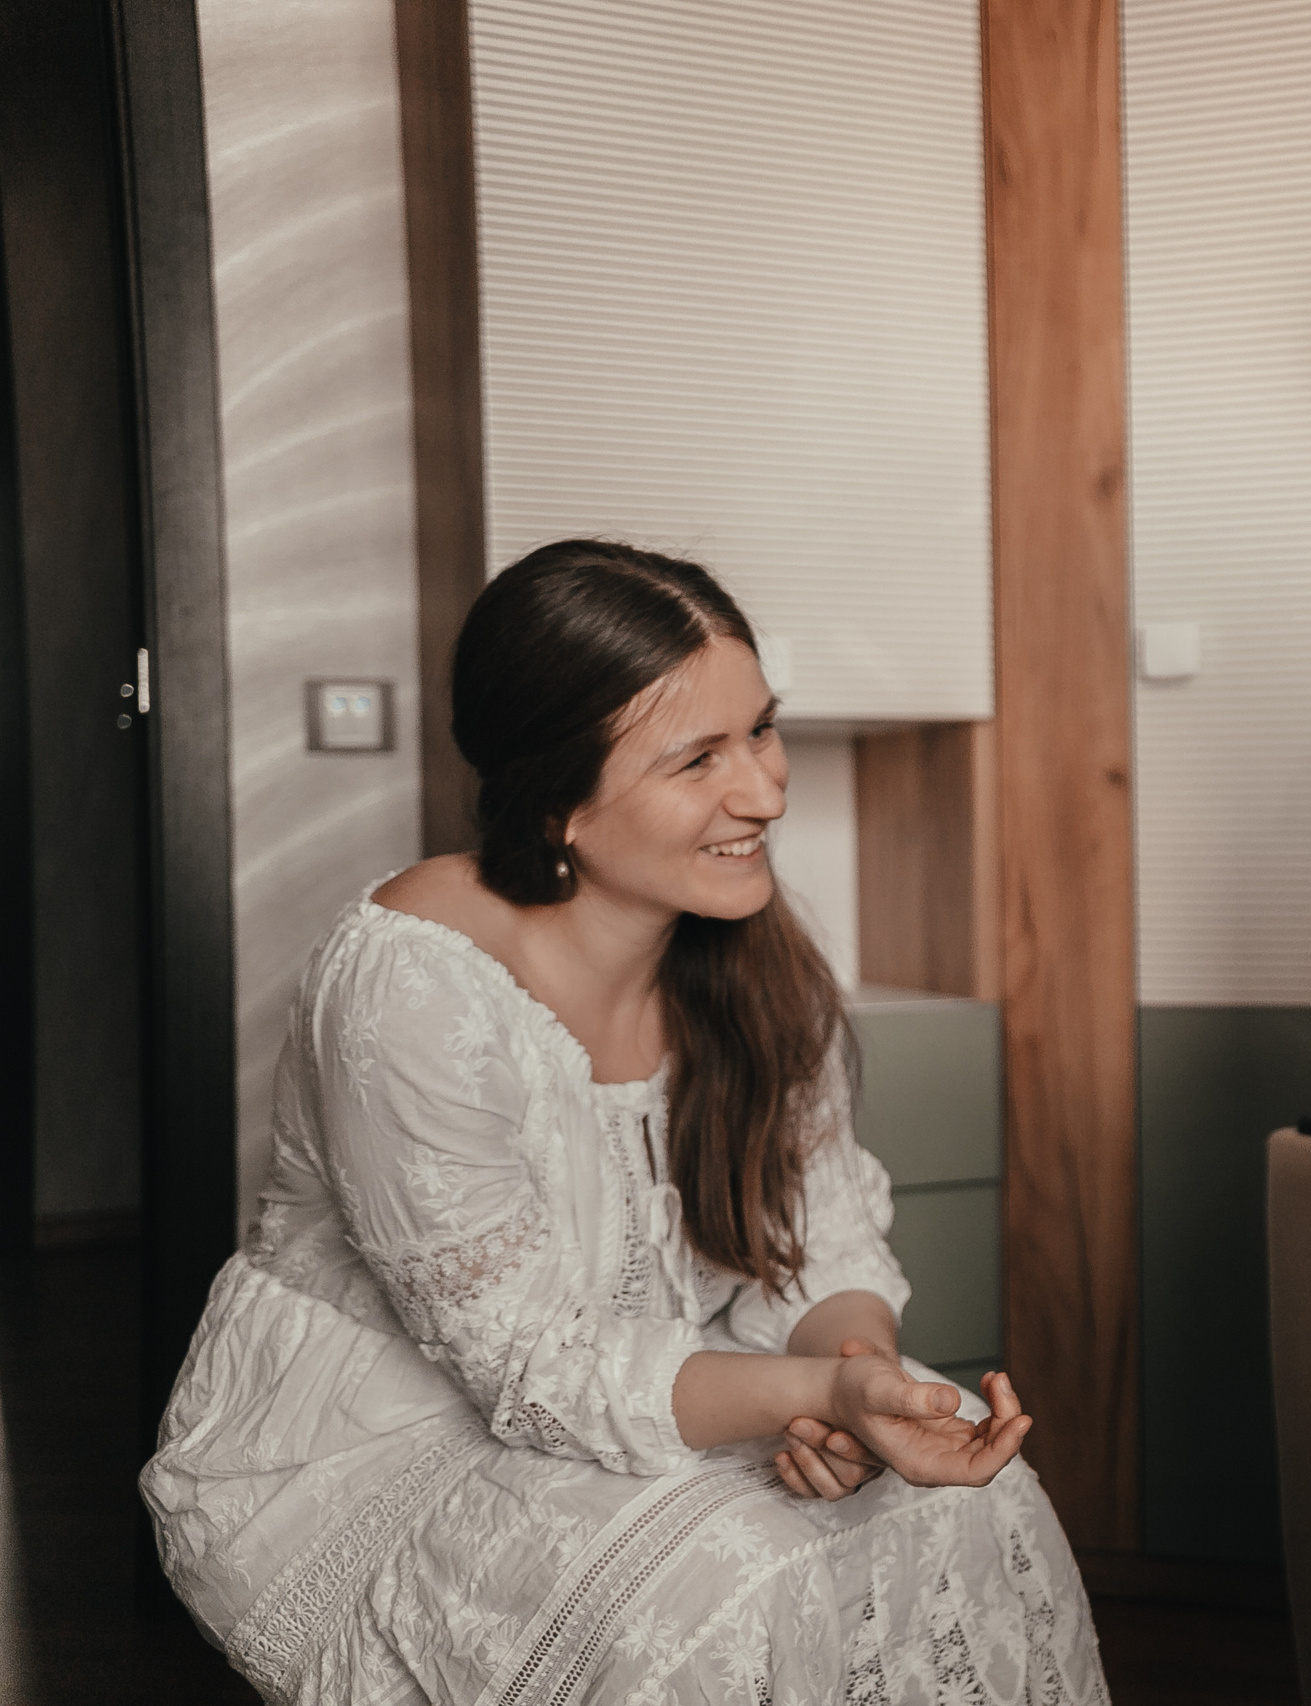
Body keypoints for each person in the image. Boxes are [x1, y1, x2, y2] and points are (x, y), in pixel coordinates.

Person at [143, 541, 1108, 1705]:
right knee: (726, 1584)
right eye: (697, 757)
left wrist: (854, 1380)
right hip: (384, 1444)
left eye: (760, 729)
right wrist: (807, 1396)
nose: (762, 789)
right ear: (557, 795)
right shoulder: (411, 985)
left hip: (669, 1377)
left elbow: (820, 1240)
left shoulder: (749, 954)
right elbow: (528, 1365)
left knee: (978, 1490)